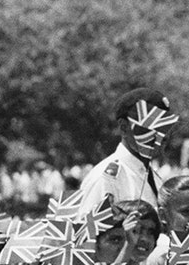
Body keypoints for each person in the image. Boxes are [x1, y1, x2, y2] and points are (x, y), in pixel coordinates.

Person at [68, 88, 180, 223]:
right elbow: (88, 236)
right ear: (124, 127)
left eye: (165, 126)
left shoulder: (153, 177)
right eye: (152, 126)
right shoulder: (108, 178)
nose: (163, 136)